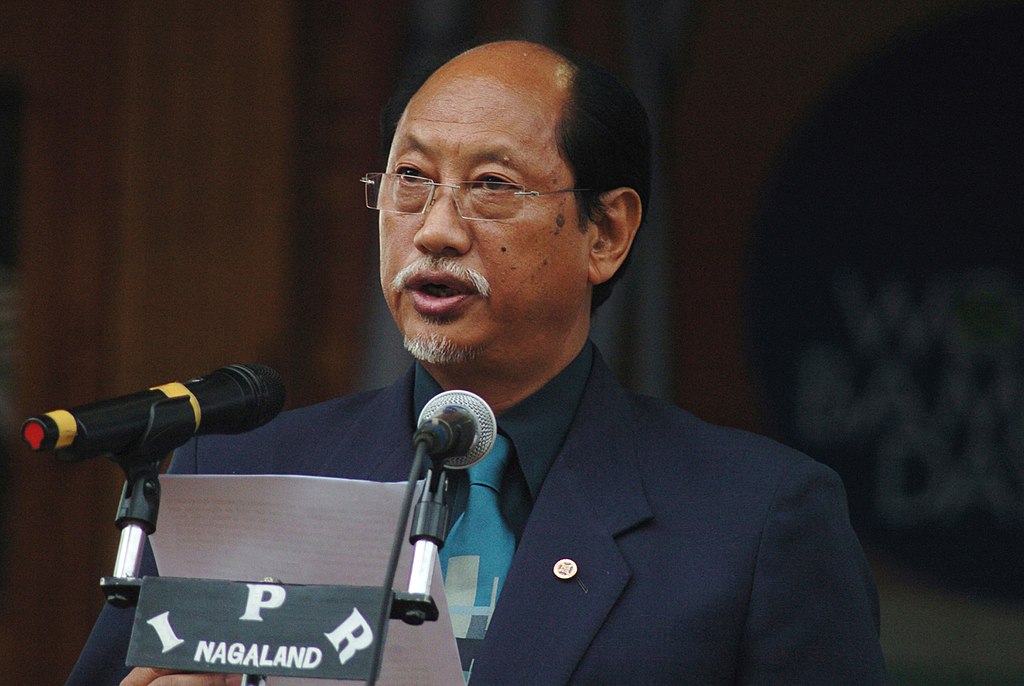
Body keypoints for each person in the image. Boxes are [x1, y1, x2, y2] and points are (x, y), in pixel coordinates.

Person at [67, 40, 887, 685]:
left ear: (606, 234)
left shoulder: (755, 521)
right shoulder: (240, 478)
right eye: (410, 180)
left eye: (492, 185)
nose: (435, 230)